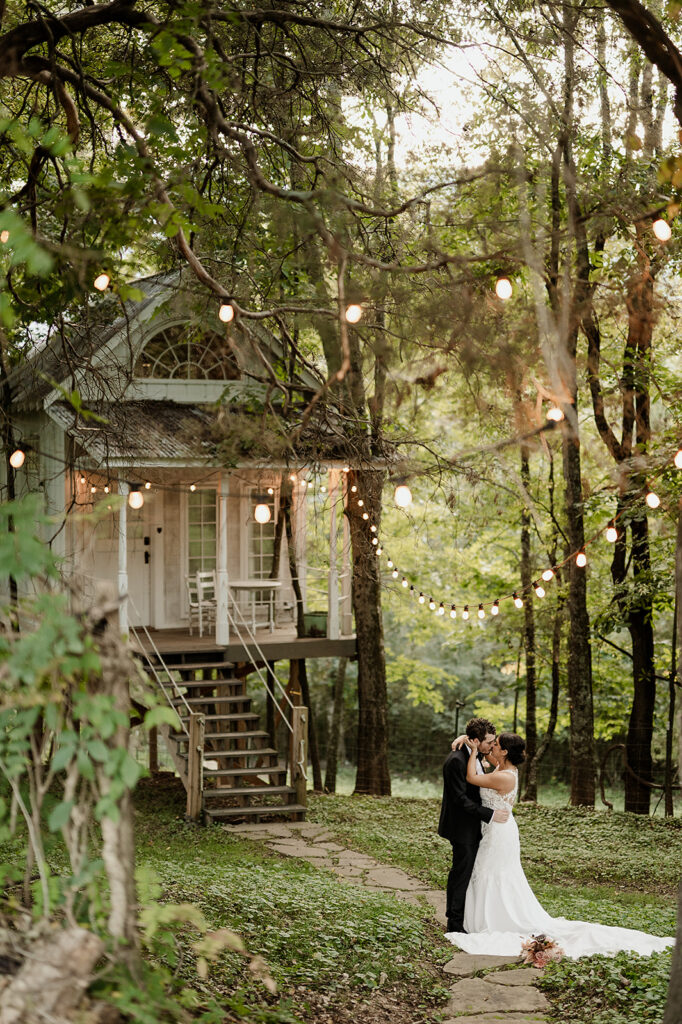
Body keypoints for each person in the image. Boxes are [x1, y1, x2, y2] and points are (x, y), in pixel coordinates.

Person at [445, 731, 674, 958]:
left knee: (493, 873)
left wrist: (473, 749)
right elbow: (487, 754)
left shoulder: (504, 776)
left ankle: (496, 919)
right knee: (489, 872)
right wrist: (466, 739)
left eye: (496, 744)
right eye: (491, 743)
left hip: (499, 830)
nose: (492, 747)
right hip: (494, 827)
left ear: (504, 751)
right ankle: (481, 916)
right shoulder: (502, 766)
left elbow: (472, 778)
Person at [438, 717, 510, 933]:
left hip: (474, 826)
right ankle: (454, 923)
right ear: (476, 740)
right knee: (461, 874)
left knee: (470, 872)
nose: (492, 746)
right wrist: (490, 814)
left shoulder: (475, 752)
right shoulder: (456, 761)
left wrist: (468, 741)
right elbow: (460, 799)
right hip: (462, 828)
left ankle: (468, 918)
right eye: (489, 742)